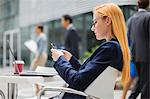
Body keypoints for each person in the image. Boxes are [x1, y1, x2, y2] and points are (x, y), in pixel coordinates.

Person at [51, 3, 130, 99]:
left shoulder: (109, 49)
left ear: (108, 20)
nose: (92, 28)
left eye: (95, 22)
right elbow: (87, 76)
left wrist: (60, 59)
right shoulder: (114, 48)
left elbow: (77, 81)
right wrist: (70, 59)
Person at [125, 0, 150, 98]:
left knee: (141, 80)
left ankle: (131, 97)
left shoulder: (131, 19)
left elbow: (128, 37)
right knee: (147, 81)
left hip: (135, 55)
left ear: (137, 4)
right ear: (148, 4)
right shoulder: (148, 17)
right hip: (147, 55)